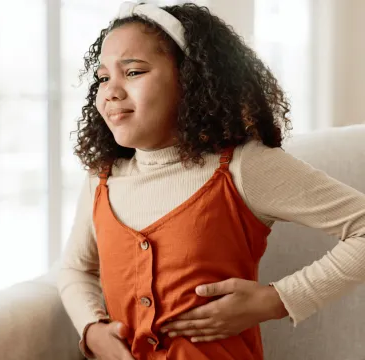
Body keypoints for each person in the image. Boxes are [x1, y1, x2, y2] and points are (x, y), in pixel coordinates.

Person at [58, 2, 365, 359]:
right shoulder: (102, 178)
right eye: (103, 77)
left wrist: (276, 300)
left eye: (135, 71)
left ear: (190, 80)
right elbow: (76, 269)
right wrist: (92, 329)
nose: (110, 91)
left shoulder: (242, 167)